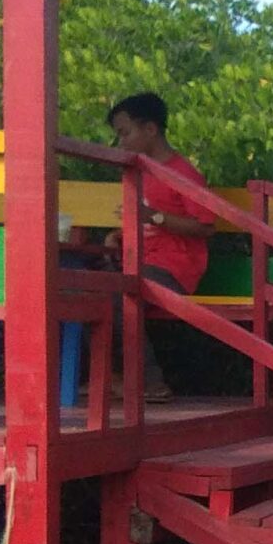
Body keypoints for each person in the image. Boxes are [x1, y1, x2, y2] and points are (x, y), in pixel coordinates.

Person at [95, 92, 210, 403]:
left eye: (125, 133)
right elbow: (143, 221)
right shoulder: (137, 172)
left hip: (175, 266)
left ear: (150, 130)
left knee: (120, 293)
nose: (121, 142)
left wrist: (154, 217)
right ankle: (115, 377)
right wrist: (119, 234)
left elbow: (205, 225)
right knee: (87, 286)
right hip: (140, 260)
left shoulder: (182, 173)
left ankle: (150, 382)